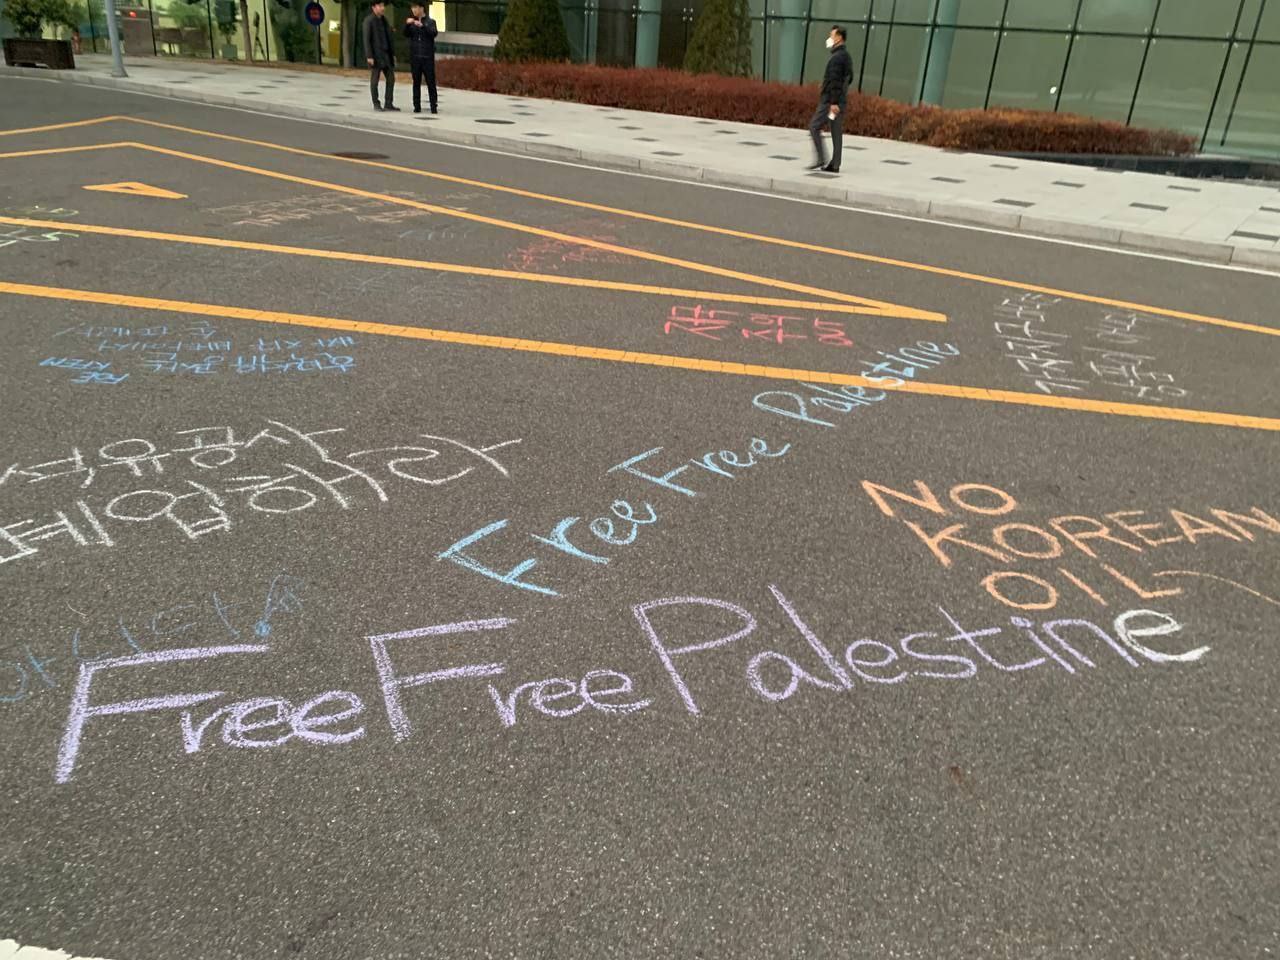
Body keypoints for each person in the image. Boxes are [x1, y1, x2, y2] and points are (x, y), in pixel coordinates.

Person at [808, 25, 853, 173]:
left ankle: (821, 158)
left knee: (814, 126)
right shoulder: (846, 56)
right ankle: (835, 164)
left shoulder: (836, 58)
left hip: (830, 102)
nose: (829, 39)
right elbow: (849, 78)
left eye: (832, 36)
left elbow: (835, 81)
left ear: (839, 38)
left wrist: (833, 102)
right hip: (839, 102)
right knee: (836, 131)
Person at [403, 1, 438, 114]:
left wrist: (423, 26)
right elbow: (406, 34)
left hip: (427, 57)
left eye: (416, 7)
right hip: (415, 57)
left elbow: (433, 33)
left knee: (430, 82)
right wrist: (407, 25)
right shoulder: (412, 22)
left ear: (422, 8)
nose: (413, 10)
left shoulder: (431, 22)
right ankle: (416, 106)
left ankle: (433, 106)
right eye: (412, 8)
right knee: (416, 82)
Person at [363, 0, 398, 112]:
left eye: (383, 6)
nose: (382, 8)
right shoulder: (369, 21)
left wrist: (393, 54)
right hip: (376, 55)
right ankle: (376, 103)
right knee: (375, 80)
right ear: (374, 7)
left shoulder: (384, 20)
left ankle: (388, 103)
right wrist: (369, 56)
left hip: (386, 54)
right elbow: (366, 40)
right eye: (380, 6)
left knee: (391, 78)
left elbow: (389, 38)